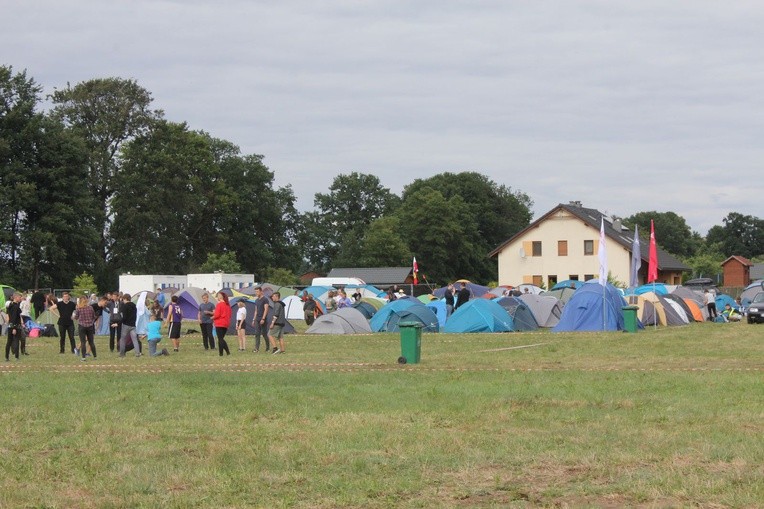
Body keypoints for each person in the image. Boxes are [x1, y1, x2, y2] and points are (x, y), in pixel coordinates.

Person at [74, 296, 97, 362]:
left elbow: (76, 317)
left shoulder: (79, 309)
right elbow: (94, 316)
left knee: (83, 342)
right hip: (90, 326)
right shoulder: (91, 308)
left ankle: (83, 358)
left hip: (82, 326)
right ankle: (95, 356)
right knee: (91, 342)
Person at [119, 293, 141, 358]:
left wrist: (120, 322)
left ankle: (122, 354)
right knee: (135, 340)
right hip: (133, 325)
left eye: (123, 299)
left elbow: (124, 317)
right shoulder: (134, 306)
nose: (123, 301)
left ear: (125, 299)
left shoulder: (125, 306)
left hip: (126, 325)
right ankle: (137, 353)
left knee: (123, 340)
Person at [212, 292, 231, 356]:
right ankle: (221, 353)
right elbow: (230, 314)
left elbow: (217, 315)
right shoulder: (228, 305)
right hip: (226, 324)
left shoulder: (219, 304)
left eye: (218, 296)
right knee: (221, 339)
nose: (217, 297)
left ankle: (227, 352)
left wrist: (212, 317)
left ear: (221, 297)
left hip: (219, 323)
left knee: (220, 339)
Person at [251, 287, 270, 352]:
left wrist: (263, 318)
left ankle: (267, 347)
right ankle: (256, 348)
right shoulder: (256, 300)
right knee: (257, 334)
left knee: (264, 334)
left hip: (263, 319)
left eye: (257, 291)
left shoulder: (265, 299)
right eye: (255, 291)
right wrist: (254, 319)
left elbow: (266, 309)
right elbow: (256, 311)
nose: (256, 293)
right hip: (257, 319)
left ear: (261, 292)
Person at [5, 293, 23, 362]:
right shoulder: (15, 307)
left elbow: (8, 316)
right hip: (15, 326)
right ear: (16, 297)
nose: (20, 298)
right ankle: (16, 356)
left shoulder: (10, 306)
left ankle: (7, 357)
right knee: (16, 341)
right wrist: (14, 328)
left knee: (9, 342)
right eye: (19, 297)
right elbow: (14, 318)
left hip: (10, 326)